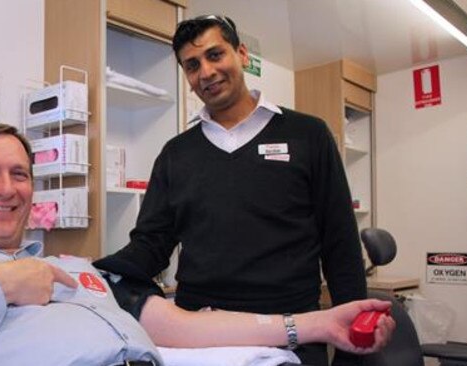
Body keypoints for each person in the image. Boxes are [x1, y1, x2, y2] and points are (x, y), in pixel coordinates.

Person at [0, 122, 393, 366]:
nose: (6, 190)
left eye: (19, 174)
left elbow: (178, 326)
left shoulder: (73, 268)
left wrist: (316, 325)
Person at [94, 15, 368, 366]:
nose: (206, 72)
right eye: (192, 65)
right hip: (204, 337)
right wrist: (96, 274)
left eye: (215, 55)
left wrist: (353, 342)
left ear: (241, 54)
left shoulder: (308, 135)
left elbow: (340, 243)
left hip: (291, 334)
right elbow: (151, 244)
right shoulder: (176, 155)